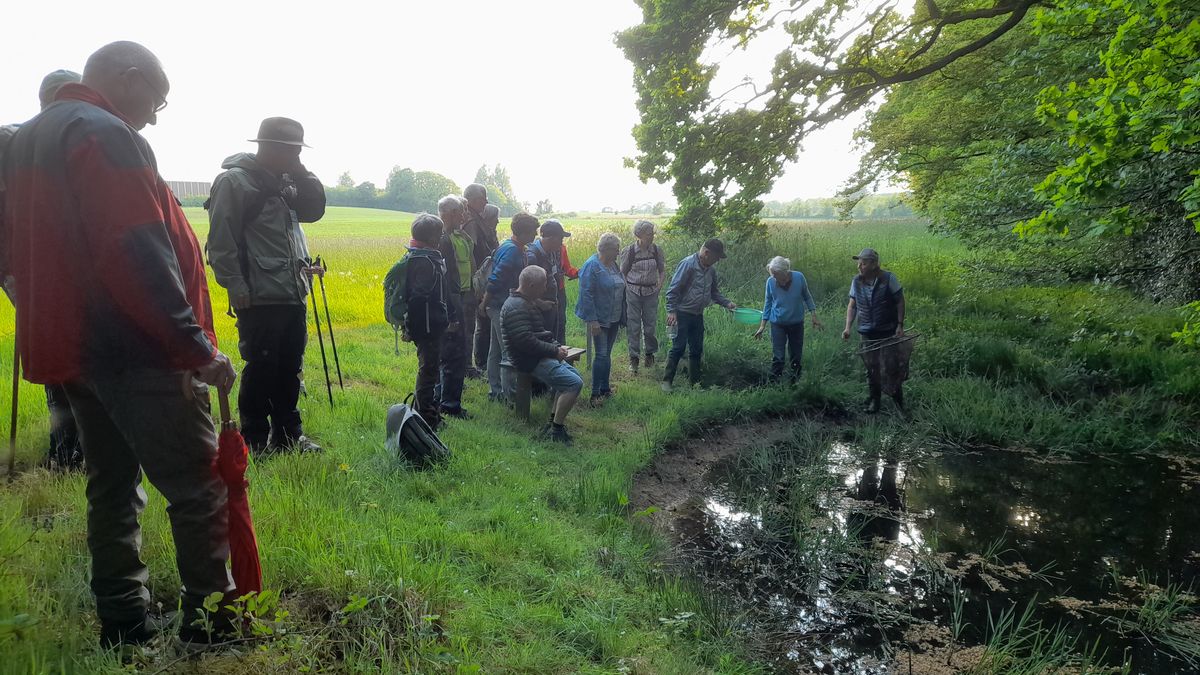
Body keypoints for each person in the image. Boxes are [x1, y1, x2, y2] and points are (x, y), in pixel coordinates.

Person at [1, 41, 238, 646]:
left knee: (111, 485)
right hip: (135, 349)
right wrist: (195, 348)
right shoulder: (104, 132)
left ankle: (123, 621)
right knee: (197, 484)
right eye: (156, 100)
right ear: (128, 79)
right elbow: (137, 250)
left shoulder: (29, 136)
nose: (156, 115)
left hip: (73, 348)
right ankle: (211, 625)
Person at [206, 117, 326, 455]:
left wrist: (299, 168)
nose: (295, 158)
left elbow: (315, 209)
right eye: (292, 151)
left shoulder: (285, 182)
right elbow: (220, 240)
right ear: (269, 148)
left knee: (290, 366)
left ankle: (289, 437)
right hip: (258, 294)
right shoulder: (235, 182)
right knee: (261, 368)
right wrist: (234, 284)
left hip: (291, 291)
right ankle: (255, 440)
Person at [0, 68, 85, 472]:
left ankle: (78, 445)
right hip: (31, 267)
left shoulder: (75, 137)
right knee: (60, 356)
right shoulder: (11, 140)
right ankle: (65, 450)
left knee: (75, 352)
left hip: (63, 266)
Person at [501, 266, 583, 444]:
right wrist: (554, 351)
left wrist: (555, 347)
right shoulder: (516, 306)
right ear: (531, 286)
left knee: (574, 377)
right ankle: (556, 430)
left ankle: (552, 422)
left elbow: (536, 334)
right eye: (542, 285)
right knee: (573, 383)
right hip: (528, 360)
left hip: (536, 355)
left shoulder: (525, 301)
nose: (545, 289)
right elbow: (525, 342)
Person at [392, 214, 457, 428]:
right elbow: (419, 298)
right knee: (428, 371)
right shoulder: (425, 261)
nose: (441, 237)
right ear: (431, 238)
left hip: (431, 324)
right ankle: (426, 417)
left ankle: (428, 411)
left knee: (430, 369)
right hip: (427, 327)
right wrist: (413, 328)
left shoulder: (424, 256)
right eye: (439, 234)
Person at [661, 239, 737, 392]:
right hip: (682, 314)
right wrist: (671, 311)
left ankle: (695, 384)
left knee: (696, 349)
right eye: (716, 257)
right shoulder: (688, 265)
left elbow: (714, 293)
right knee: (678, 348)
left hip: (697, 315)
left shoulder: (711, 270)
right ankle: (666, 382)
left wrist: (727, 303)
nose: (716, 261)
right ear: (706, 253)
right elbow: (672, 290)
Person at [481, 213, 538, 402]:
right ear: (522, 232)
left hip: (498, 305)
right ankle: (510, 396)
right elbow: (496, 279)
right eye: (532, 232)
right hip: (500, 306)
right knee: (508, 350)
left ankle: (495, 391)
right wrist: (485, 303)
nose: (535, 235)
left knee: (495, 349)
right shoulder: (513, 251)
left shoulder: (509, 245)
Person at [841, 248, 906, 413]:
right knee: (872, 367)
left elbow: (900, 301)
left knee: (891, 366)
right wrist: (848, 327)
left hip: (887, 330)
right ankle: (875, 402)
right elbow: (852, 305)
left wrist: (899, 325)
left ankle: (899, 403)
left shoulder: (888, 278)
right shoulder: (856, 281)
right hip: (866, 331)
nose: (859, 266)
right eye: (859, 262)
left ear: (873, 264)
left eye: (863, 263)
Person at [434, 195, 474, 419]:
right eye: (460, 211)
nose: (463, 216)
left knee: (447, 354)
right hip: (450, 299)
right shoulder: (443, 239)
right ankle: (450, 405)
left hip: (453, 298)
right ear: (448, 213)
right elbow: (446, 278)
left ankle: (442, 399)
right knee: (454, 353)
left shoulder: (448, 236)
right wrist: (451, 313)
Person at [753, 256, 823, 382]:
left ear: (785, 272)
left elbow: (807, 296)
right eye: (772, 274)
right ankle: (774, 383)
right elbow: (768, 303)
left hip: (796, 323)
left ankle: (794, 383)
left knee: (796, 356)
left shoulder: (799, 277)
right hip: (777, 324)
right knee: (778, 356)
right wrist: (762, 326)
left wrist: (814, 316)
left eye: (775, 274)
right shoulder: (770, 282)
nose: (773, 277)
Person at [576, 233, 626, 404]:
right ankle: (595, 394)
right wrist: (592, 320)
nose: (619, 253)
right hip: (599, 319)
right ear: (608, 249)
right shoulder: (592, 266)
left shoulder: (613, 265)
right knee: (601, 355)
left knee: (607, 354)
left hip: (614, 316)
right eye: (617, 249)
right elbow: (586, 294)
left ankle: (605, 388)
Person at [618, 220, 665, 374]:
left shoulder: (657, 250)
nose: (652, 236)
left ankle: (650, 355)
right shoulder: (630, 251)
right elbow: (622, 273)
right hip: (633, 292)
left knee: (650, 325)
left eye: (652, 233)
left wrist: (659, 287)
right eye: (649, 233)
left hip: (651, 292)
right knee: (634, 326)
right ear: (639, 235)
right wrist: (627, 289)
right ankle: (634, 358)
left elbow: (662, 271)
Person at [463, 183, 500, 375]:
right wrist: (478, 283)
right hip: (476, 281)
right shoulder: (470, 221)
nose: (486, 201)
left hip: (478, 279)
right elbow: (470, 253)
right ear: (472, 200)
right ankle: (472, 365)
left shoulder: (475, 218)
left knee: (477, 322)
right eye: (482, 198)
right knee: (476, 323)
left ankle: (474, 364)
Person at [525, 219, 571, 339]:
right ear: (552, 238)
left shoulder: (552, 252)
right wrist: (540, 303)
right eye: (560, 239)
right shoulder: (532, 256)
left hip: (552, 308)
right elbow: (524, 289)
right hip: (538, 312)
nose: (561, 243)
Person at [557, 242, 580, 344]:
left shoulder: (562, 247)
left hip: (560, 290)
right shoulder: (537, 250)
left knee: (561, 322)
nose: (561, 240)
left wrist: (578, 272)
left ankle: (562, 351)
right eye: (559, 237)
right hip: (543, 292)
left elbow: (567, 269)